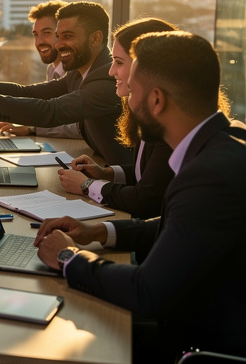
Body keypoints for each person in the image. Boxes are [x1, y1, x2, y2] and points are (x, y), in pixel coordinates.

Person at [34, 32, 246, 364]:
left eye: (134, 88)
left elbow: (148, 293)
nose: (125, 94)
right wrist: (100, 232)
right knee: (92, 339)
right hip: (238, 328)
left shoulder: (212, 173)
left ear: (157, 100)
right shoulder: (231, 138)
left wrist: (68, 257)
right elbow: (181, 229)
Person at [0, 1, 131, 165]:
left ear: (95, 39)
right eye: (58, 36)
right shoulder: (78, 73)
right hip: (103, 165)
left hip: (126, 180)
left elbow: (50, 111)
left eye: (68, 36)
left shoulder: (106, 79)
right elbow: (31, 93)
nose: (59, 45)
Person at [56, 18, 177, 219]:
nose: (111, 71)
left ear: (148, 67)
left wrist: (87, 185)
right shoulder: (150, 116)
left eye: (118, 62)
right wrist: (107, 174)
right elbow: (150, 176)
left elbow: (146, 200)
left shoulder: (172, 128)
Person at [0, 0, 81, 139]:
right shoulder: (52, 70)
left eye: (46, 33)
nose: (39, 42)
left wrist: (31, 128)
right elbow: (48, 112)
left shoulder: (77, 74)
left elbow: (78, 127)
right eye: (36, 34)